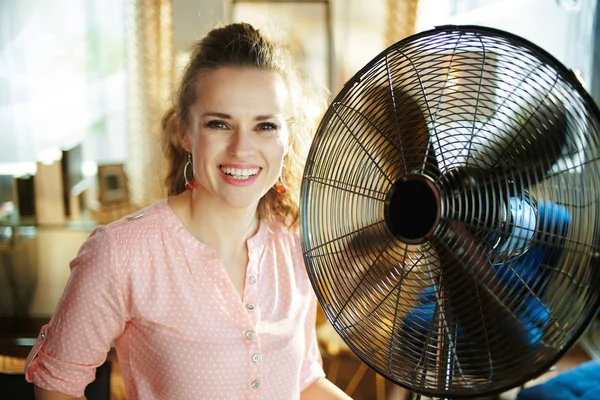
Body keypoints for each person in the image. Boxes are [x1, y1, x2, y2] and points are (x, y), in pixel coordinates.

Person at [25, 22, 351, 400]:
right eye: (219, 124)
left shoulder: (294, 245)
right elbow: (57, 388)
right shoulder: (121, 253)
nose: (242, 149)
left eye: (265, 125)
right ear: (185, 132)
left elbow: (304, 380)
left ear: (287, 139)